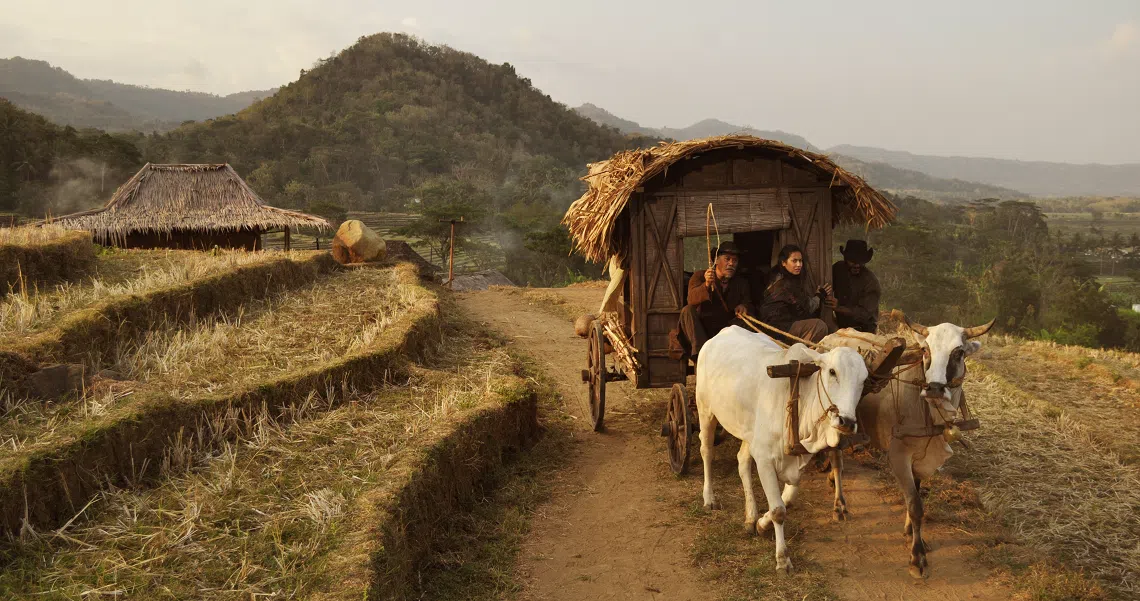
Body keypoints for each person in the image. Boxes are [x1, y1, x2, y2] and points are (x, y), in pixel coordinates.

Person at [677, 241, 752, 358]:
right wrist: (706, 284)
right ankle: (702, 355)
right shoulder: (700, 276)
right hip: (702, 331)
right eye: (727, 259)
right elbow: (691, 299)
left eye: (735, 260)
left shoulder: (741, 283)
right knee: (687, 311)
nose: (731, 263)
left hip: (726, 331)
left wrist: (743, 306)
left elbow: (748, 302)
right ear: (716, 260)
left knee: (748, 321)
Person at [759, 244, 831, 343]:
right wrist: (819, 295)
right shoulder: (786, 283)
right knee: (819, 325)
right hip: (779, 328)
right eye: (794, 261)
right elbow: (808, 308)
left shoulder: (777, 275)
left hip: (773, 326)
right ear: (784, 263)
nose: (799, 265)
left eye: (800, 261)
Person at [828, 239, 881, 333]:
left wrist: (839, 307)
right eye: (853, 261)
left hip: (863, 330)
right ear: (846, 259)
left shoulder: (871, 282)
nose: (857, 265)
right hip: (840, 326)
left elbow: (864, 314)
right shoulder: (838, 269)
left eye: (860, 262)